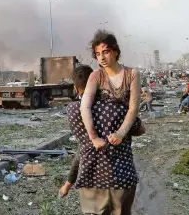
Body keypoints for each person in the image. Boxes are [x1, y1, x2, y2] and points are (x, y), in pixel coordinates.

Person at [75, 30, 141, 215]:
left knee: (124, 191)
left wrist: (121, 133)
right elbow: (84, 106)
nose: (101, 57)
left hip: (122, 140)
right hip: (101, 142)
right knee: (99, 193)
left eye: (105, 51)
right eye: (97, 54)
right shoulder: (96, 76)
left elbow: (133, 108)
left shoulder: (132, 74)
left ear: (115, 51)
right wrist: (93, 137)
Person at [59, 65, 146, 199]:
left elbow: (82, 150)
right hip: (120, 179)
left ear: (76, 88)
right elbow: (141, 129)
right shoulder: (118, 107)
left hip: (90, 179)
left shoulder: (72, 110)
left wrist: (68, 183)